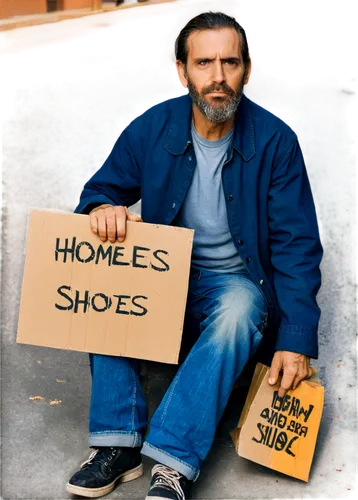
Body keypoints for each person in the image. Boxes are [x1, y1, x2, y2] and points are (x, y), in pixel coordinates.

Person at [66, 11, 323, 500]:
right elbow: (100, 189)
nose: (218, 77)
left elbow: (297, 243)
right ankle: (118, 447)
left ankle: (172, 461)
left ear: (247, 69)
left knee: (241, 307)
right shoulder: (150, 128)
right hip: (165, 278)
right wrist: (104, 209)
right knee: (104, 273)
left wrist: (296, 339)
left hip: (235, 286)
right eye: (204, 63)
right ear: (182, 72)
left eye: (230, 62)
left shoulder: (276, 142)